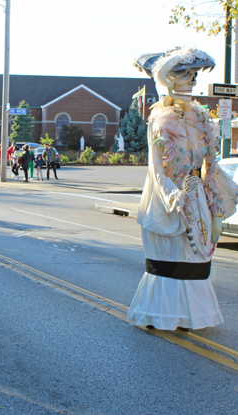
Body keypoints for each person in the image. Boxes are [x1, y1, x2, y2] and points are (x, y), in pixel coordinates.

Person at [127, 47, 238, 330]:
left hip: (197, 194)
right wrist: (173, 196)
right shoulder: (159, 119)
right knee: (169, 257)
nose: (191, 80)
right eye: (183, 74)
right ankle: (159, 316)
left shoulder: (200, 117)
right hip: (167, 197)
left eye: (193, 74)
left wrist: (214, 212)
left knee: (194, 258)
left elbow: (209, 167)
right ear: (168, 79)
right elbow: (156, 167)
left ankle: (189, 317)